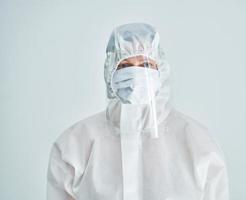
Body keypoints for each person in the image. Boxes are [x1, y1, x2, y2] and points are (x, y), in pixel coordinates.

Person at [47, 22, 229, 200]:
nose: (136, 74)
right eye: (125, 66)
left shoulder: (198, 144)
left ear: (162, 70)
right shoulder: (74, 146)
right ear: (109, 70)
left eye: (146, 65)